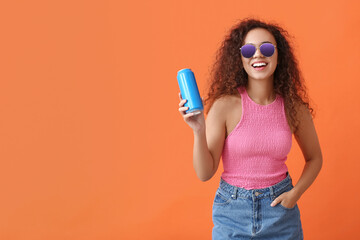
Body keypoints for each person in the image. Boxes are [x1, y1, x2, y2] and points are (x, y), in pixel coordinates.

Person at [178, 18, 323, 239]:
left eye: (266, 48)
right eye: (248, 50)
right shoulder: (225, 105)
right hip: (232, 212)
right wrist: (198, 129)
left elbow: (315, 158)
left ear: (278, 54)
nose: (258, 55)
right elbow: (205, 173)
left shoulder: (294, 107)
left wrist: (295, 194)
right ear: (240, 57)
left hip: (281, 213)